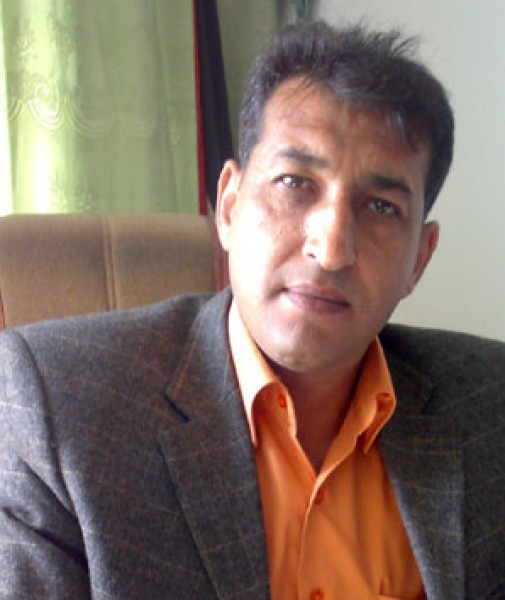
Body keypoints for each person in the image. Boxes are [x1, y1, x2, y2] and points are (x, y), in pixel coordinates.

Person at [0, 20, 504, 600]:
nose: (332, 249)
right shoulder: (59, 406)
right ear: (230, 206)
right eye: (295, 182)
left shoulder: (489, 405)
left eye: (381, 207)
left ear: (420, 258)